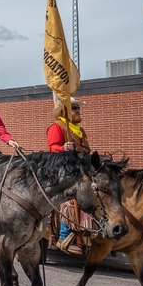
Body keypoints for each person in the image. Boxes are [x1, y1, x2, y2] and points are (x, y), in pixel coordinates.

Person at [48, 99, 90, 254]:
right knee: (70, 199)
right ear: (64, 112)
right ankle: (64, 236)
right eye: (74, 108)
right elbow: (52, 148)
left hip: (80, 170)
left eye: (78, 108)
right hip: (62, 170)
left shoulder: (80, 131)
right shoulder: (57, 127)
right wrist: (63, 147)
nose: (78, 111)